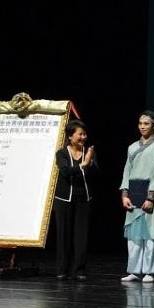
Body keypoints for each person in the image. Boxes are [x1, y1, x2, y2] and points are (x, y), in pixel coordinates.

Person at [119, 110, 154, 283]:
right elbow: (127, 170)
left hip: (149, 195)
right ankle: (134, 269)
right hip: (133, 194)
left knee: (150, 234)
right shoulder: (132, 147)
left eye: (146, 123)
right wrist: (124, 194)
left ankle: (150, 270)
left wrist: (151, 197)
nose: (142, 126)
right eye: (140, 123)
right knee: (134, 234)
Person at [53, 119, 97, 281]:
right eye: (80, 134)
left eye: (85, 134)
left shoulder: (89, 152)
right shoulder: (62, 153)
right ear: (70, 136)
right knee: (63, 234)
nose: (83, 137)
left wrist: (90, 163)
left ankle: (79, 270)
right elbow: (65, 171)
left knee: (81, 235)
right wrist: (83, 165)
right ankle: (62, 269)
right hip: (64, 199)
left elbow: (96, 172)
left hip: (83, 198)